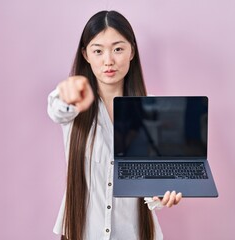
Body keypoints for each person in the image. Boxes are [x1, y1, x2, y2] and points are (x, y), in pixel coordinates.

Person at [47, 10, 182, 240]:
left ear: (132, 51)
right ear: (86, 55)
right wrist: (67, 93)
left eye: (118, 49)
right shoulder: (75, 106)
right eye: (98, 51)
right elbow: (58, 109)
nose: (108, 60)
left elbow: (151, 193)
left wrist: (161, 196)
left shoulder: (151, 112)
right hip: (82, 232)